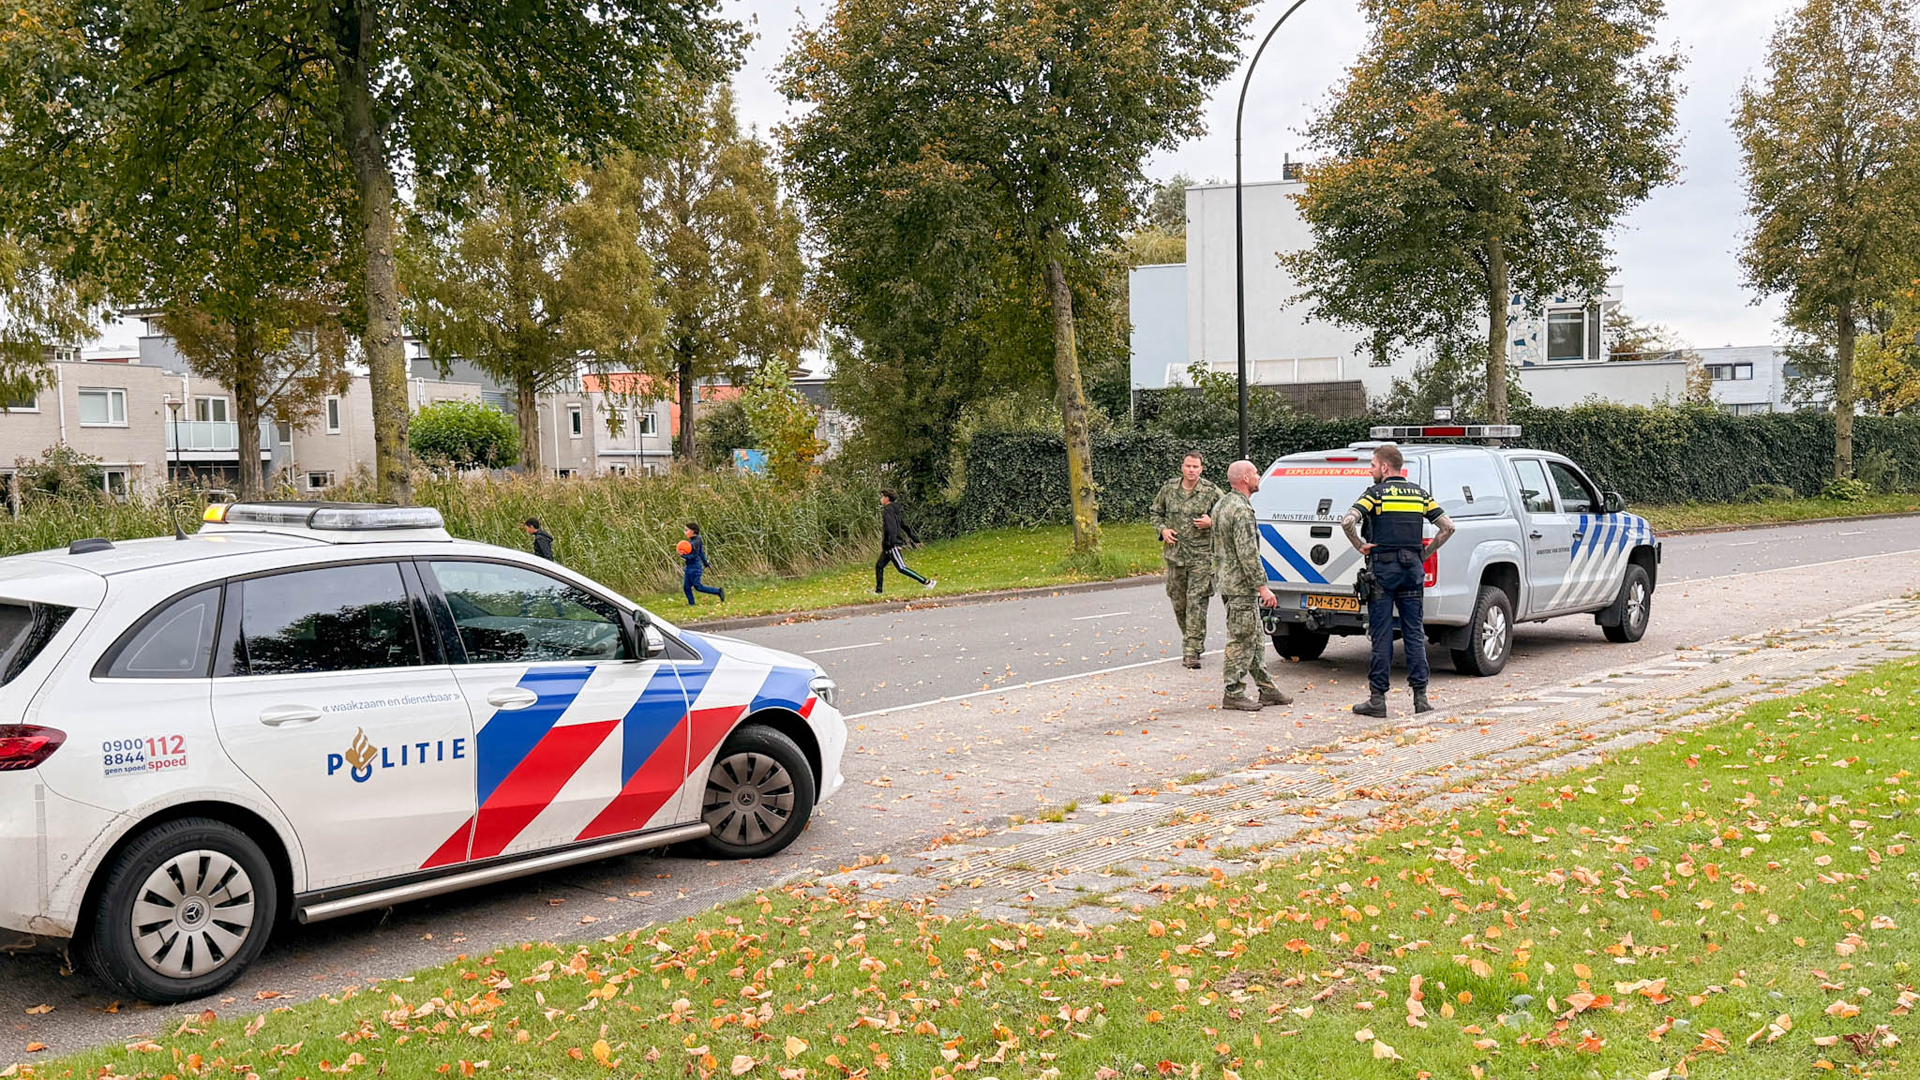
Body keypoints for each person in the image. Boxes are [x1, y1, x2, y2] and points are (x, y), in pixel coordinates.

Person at [1341, 443, 1456, 718]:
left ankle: (1377, 700)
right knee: (1414, 633)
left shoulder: (1375, 494)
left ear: (1384, 467)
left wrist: (1359, 544)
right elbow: (1448, 527)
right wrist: (1423, 554)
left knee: (1381, 635)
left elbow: (1347, 521)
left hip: (1383, 570)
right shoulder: (1419, 494)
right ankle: (1420, 698)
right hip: (1412, 570)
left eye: (1372, 465)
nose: (1370, 470)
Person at [1212, 460, 1291, 712]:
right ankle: (1233, 692)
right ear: (1245, 479)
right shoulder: (1241, 511)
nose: (1258, 477)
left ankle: (1267, 689)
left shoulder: (1222, 504)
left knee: (1256, 638)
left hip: (1227, 580)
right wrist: (1262, 587)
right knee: (1241, 639)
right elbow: (1248, 553)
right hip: (1241, 585)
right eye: (1255, 473)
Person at [1149, 451, 1220, 668]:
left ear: (1201, 469)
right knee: (1180, 603)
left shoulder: (1211, 492)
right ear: (1182, 467)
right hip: (1175, 557)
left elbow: (1227, 513)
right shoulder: (1169, 489)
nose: (1191, 470)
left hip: (1201, 557)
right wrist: (1163, 530)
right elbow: (1155, 512)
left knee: (1196, 603)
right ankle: (1193, 641)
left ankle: (1191, 651)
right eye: (1188, 466)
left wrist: (1212, 521)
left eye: (1195, 467)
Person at [875, 490, 936, 594]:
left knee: (901, 567)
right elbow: (905, 526)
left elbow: (891, 527)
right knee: (879, 566)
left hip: (891, 545)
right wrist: (915, 539)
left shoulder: (888, 511)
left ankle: (927, 582)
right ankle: (878, 591)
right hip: (888, 546)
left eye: (882, 497)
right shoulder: (895, 511)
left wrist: (893, 543)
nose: (881, 499)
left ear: (887, 498)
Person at [681, 522, 725, 606]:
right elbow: (701, 553)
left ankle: (718, 591)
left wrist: (683, 555)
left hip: (694, 568)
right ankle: (691, 604)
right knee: (686, 587)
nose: (684, 532)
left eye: (686, 530)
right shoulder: (695, 540)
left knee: (698, 587)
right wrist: (706, 563)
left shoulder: (694, 542)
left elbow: (694, 556)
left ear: (693, 531)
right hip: (690, 567)